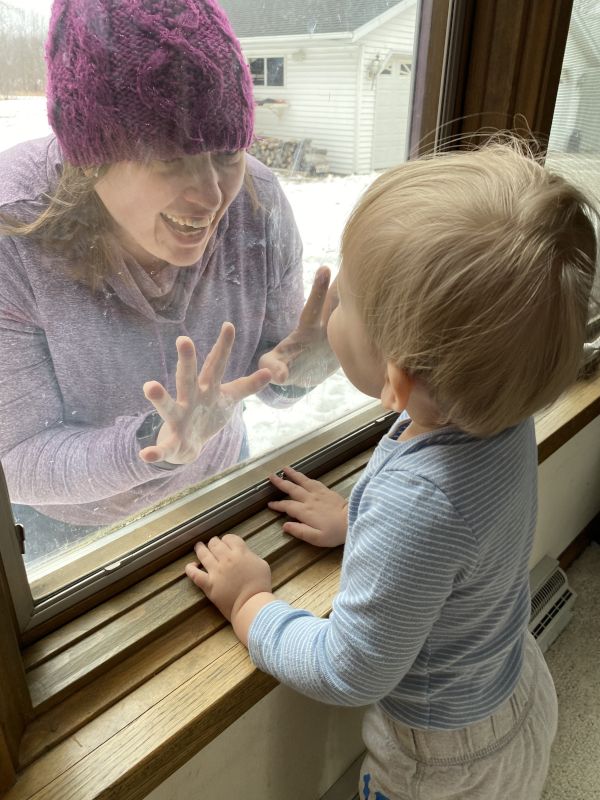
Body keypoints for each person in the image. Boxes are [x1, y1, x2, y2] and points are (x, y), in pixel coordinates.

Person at [185, 141, 598, 799]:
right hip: (515, 683)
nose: (329, 305)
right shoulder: (500, 415)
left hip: (442, 763)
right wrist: (360, 520)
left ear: (399, 378)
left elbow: (349, 672)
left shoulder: (422, 500)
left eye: (343, 298)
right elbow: (458, 537)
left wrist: (249, 602)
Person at [0, 0, 336, 559]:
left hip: (215, 485)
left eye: (228, 152)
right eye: (169, 155)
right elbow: (20, 460)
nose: (211, 197)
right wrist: (153, 446)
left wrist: (304, 367)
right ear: (91, 155)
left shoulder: (258, 202)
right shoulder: (14, 232)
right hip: (71, 539)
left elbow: (268, 381)